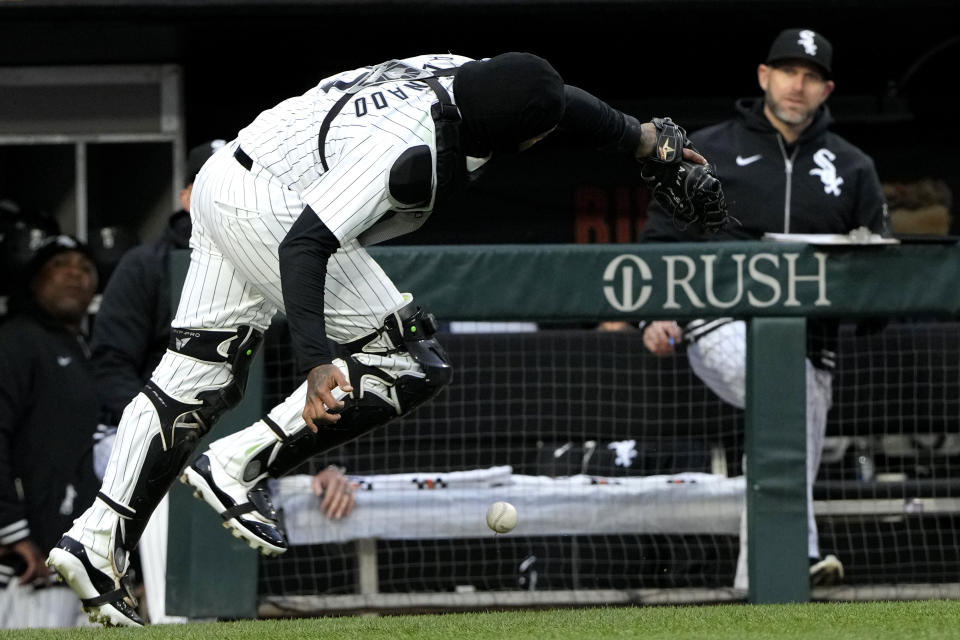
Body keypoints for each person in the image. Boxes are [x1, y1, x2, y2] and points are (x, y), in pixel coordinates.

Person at [48, 52, 718, 627]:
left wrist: (640, 138)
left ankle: (94, 541)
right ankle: (237, 462)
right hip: (274, 205)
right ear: (517, 142)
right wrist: (315, 363)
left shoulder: (464, 74)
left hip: (238, 172)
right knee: (407, 358)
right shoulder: (411, 156)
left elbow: (556, 101)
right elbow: (304, 243)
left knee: (197, 375)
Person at [639, 28, 888, 589]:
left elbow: (880, 264)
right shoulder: (713, 147)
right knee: (784, 390)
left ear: (826, 90)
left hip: (814, 343)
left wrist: (872, 305)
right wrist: (655, 311)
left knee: (791, 415)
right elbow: (659, 239)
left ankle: (763, 580)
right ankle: (796, 554)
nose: (796, 86)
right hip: (720, 321)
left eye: (810, 77)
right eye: (787, 71)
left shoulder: (852, 167)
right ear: (763, 76)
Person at [88, 140, 356, 623]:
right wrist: (164, 429)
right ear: (190, 196)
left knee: (256, 469)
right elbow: (109, 365)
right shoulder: (146, 266)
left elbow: (289, 375)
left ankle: (219, 616)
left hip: (233, 432)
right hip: (141, 428)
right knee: (169, 459)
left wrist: (325, 457)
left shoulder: (277, 255)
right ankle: (171, 614)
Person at [0, 235, 100, 628]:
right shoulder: (15, 339)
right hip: (22, 562)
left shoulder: (84, 349)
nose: (75, 274)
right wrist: (11, 530)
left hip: (68, 554)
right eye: (61, 265)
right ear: (35, 281)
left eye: (85, 268)